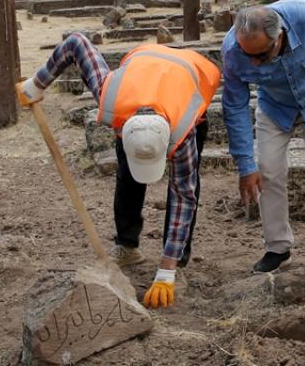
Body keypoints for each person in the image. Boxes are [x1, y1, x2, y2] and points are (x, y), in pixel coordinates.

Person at [16, 33, 220, 310]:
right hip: (143, 70)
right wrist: (37, 84)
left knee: (185, 188)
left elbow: (185, 195)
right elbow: (77, 43)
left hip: (188, 77)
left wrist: (165, 272)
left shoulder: (184, 129)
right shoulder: (110, 95)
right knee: (127, 177)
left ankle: (175, 263)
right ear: (123, 128)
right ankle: (127, 246)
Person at [221, 0, 305, 273]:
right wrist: (245, 164)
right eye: (249, 56)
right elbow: (234, 106)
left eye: (261, 55)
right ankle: (277, 248)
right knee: (267, 170)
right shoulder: (233, 51)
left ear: (279, 36)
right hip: (274, 106)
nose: (254, 62)